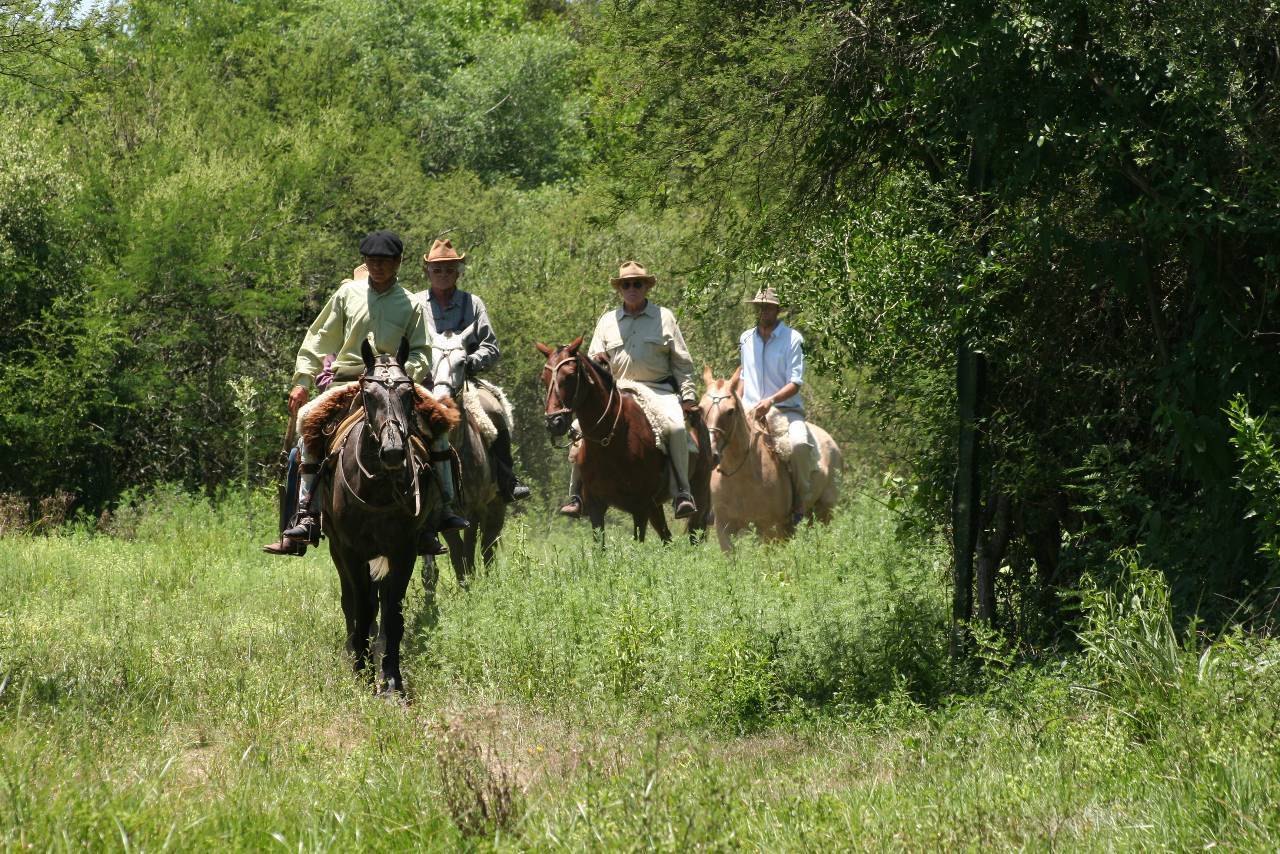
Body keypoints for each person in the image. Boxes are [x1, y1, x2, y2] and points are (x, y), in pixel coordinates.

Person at [262, 230, 468, 557]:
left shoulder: (412, 303)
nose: (378, 267)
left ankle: (442, 511)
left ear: (398, 263)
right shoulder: (347, 295)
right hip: (349, 380)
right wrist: (302, 380)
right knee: (307, 428)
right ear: (365, 262)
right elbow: (319, 339)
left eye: (385, 262)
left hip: (397, 383)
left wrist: (403, 375)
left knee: (439, 425)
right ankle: (304, 515)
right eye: (372, 261)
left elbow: (421, 351)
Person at [560, 260, 700, 519]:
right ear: (620, 289)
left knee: (676, 427)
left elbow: (682, 364)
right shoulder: (607, 322)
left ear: (646, 287)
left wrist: (688, 396)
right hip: (618, 391)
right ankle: (576, 495)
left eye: (637, 283)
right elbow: (592, 364)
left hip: (657, 388)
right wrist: (599, 363)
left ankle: (682, 492)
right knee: (580, 430)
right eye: (626, 284)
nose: (632, 288)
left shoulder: (665, 318)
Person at [416, 238, 530, 503]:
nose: (443, 274)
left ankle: (506, 478)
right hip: (424, 381)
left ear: (458, 271)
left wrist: (470, 362)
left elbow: (491, 347)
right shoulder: (416, 304)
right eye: (437, 269)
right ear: (427, 271)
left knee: (494, 409)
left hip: (464, 382)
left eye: (449, 268)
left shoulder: (473, 304)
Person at [737, 287, 817, 523]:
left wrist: (771, 400)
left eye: (768, 306)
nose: (763, 311)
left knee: (800, 444)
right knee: (718, 438)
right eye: (759, 306)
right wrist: (737, 404)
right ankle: (717, 501)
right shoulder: (746, 338)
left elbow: (796, 382)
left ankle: (801, 500)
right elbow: (744, 377)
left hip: (785, 410)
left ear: (777, 310)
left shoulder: (793, 339)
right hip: (750, 411)